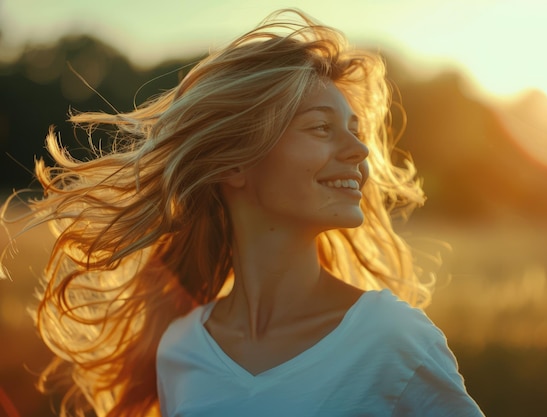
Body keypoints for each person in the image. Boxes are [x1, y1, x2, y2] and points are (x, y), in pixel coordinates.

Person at [0, 8, 485, 417]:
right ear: (233, 163)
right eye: (321, 128)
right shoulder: (179, 349)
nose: (359, 150)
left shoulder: (392, 341)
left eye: (355, 129)